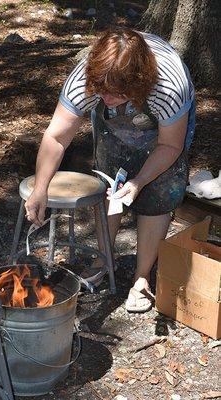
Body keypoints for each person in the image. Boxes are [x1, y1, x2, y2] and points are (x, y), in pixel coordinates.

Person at [25, 28, 195, 313]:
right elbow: (56, 137)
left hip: (164, 133)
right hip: (115, 125)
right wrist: (40, 189)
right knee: (109, 181)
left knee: (159, 192)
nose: (107, 97)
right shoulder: (85, 81)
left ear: (138, 84)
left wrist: (140, 181)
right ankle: (104, 258)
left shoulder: (169, 89)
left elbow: (169, 145)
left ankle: (142, 278)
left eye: (117, 93)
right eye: (101, 90)